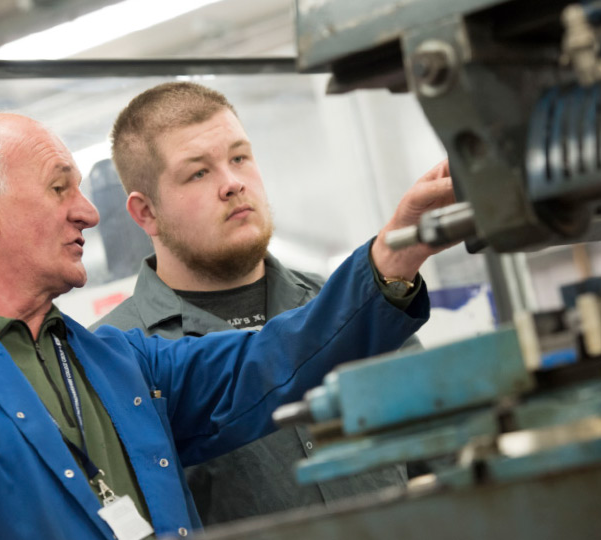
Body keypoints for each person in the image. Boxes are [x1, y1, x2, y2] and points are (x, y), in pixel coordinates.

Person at [0, 112, 453, 540]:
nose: (89, 212)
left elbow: (270, 360)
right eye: (59, 187)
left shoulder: (117, 360)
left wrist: (394, 253)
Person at [91, 82, 444, 524]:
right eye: (198, 173)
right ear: (146, 213)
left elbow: (447, 455)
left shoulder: (363, 307)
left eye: (239, 157)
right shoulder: (115, 363)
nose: (234, 184)